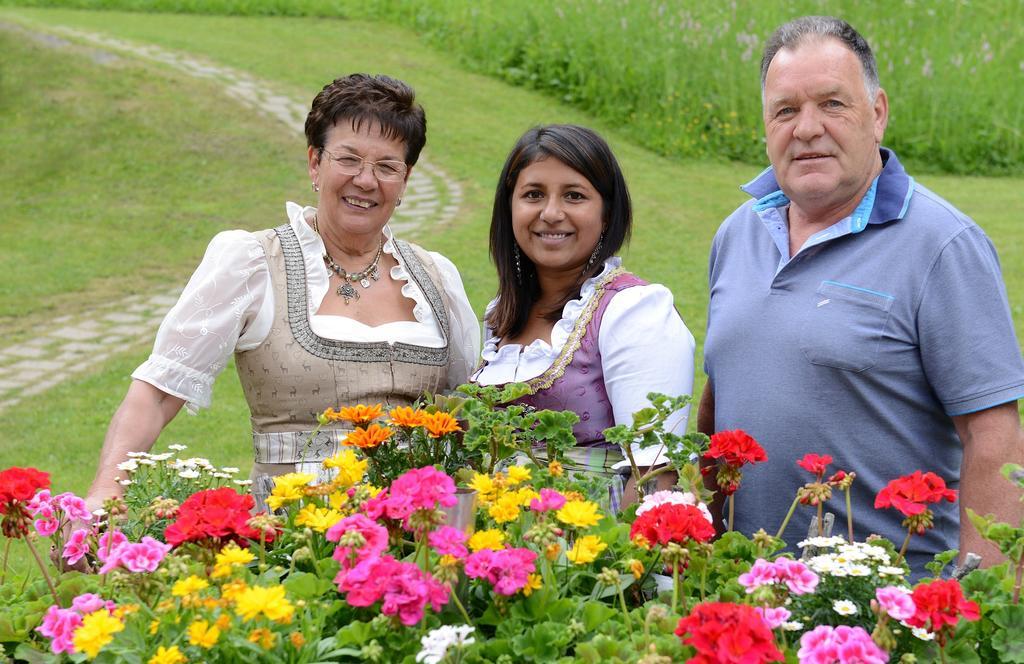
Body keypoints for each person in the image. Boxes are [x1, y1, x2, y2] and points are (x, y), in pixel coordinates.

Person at [699, 16, 1024, 570]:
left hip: (885, 602)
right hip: (743, 586)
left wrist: (980, 601)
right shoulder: (738, 232)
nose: (806, 129)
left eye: (832, 104)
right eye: (785, 110)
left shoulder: (943, 246)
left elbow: (991, 434)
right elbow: (727, 384)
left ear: (877, 113)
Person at [86, 74, 480, 511]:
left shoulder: (435, 276)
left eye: (387, 167)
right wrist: (106, 492)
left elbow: (466, 416)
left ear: (404, 180)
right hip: (291, 544)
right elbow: (158, 393)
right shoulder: (251, 262)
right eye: (348, 159)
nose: (366, 181)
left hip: (417, 540)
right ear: (315, 163)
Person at [471, 124, 696, 510]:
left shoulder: (634, 311)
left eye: (574, 196)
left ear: (607, 214)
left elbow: (654, 477)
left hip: (588, 548)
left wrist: (611, 566)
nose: (551, 213)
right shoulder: (500, 316)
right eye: (533, 195)